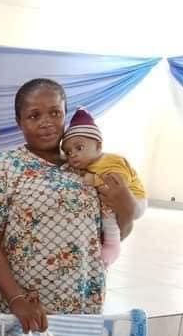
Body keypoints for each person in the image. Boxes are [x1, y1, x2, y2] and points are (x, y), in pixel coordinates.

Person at [0, 78, 137, 334]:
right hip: (28, 309)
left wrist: (126, 206)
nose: (46, 122)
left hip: (84, 306)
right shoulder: (5, 166)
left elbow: (113, 234)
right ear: (19, 121)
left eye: (55, 113)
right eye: (34, 115)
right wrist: (16, 299)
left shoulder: (88, 167)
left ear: (65, 115)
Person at [61, 108, 147, 267]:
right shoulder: (87, 164)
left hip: (135, 200)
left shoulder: (111, 160)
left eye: (79, 148)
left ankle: (112, 244)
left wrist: (93, 179)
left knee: (106, 207)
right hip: (122, 202)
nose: (73, 154)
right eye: (68, 152)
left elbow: (119, 184)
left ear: (98, 146)